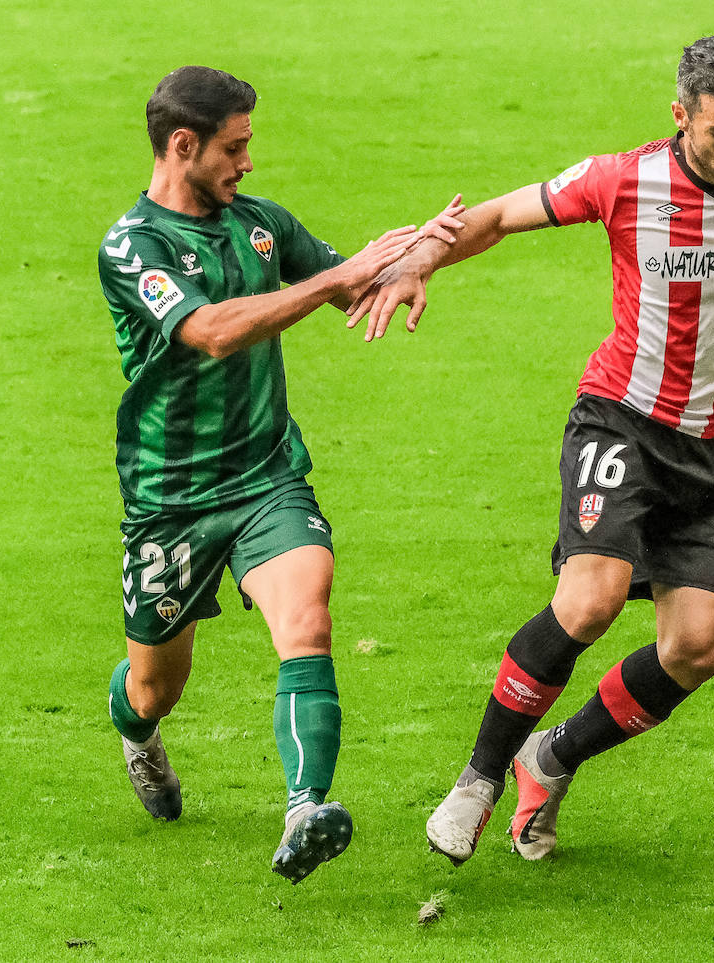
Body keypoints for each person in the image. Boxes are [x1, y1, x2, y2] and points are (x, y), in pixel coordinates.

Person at [348, 33, 714, 865]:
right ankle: (478, 778)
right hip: (622, 422)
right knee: (590, 600)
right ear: (680, 117)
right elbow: (496, 216)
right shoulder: (624, 179)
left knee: (696, 648)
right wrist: (423, 255)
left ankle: (552, 758)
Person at [96, 65, 462, 883]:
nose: (248, 164)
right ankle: (136, 730)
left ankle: (305, 807)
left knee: (308, 620)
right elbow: (214, 330)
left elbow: (356, 277)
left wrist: (419, 253)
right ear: (182, 145)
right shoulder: (133, 247)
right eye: (235, 147)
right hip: (171, 500)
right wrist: (333, 277)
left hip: (266, 477)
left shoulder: (261, 225)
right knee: (156, 686)